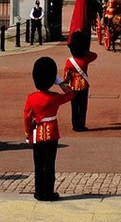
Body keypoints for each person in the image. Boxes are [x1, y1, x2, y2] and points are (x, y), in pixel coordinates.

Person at [24, 56, 75, 201]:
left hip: (36, 133)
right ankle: (49, 192)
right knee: (50, 164)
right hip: (51, 133)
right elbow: (71, 94)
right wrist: (59, 81)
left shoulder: (31, 98)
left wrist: (28, 133)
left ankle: (39, 192)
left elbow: (27, 117)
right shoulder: (55, 97)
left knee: (38, 165)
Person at [63, 30, 97, 131]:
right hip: (83, 85)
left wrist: (66, 84)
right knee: (82, 106)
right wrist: (86, 51)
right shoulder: (85, 59)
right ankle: (81, 125)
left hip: (73, 84)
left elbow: (65, 75)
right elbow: (95, 55)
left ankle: (75, 125)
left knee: (74, 106)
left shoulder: (69, 61)